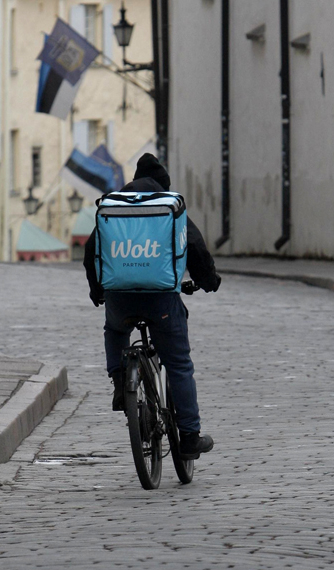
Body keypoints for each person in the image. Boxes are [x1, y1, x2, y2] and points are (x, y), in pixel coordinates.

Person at [83, 153, 221, 460]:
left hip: (119, 298)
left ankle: (120, 383)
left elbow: (91, 248)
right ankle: (189, 436)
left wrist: (98, 291)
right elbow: (195, 248)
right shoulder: (168, 206)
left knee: (115, 329)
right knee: (179, 364)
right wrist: (209, 280)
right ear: (163, 184)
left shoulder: (114, 205)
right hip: (161, 301)